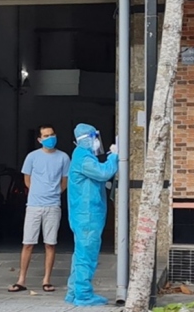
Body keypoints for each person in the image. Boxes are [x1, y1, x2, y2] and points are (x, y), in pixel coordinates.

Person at [8, 125, 70, 294]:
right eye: (46, 136)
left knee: (50, 244)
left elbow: (65, 181)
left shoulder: (64, 157)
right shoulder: (32, 157)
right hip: (34, 205)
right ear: (39, 139)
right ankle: (21, 280)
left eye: (52, 134)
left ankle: (46, 280)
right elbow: (27, 180)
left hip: (53, 205)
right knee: (28, 243)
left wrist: (54, 193)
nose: (50, 138)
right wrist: (37, 192)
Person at [65, 123, 119, 307]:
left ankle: (73, 292)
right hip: (87, 215)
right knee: (86, 255)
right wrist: (114, 157)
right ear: (88, 138)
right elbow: (103, 173)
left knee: (80, 253)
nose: (97, 142)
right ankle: (83, 295)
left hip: (84, 214)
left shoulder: (82, 156)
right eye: (94, 138)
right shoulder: (84, 158)